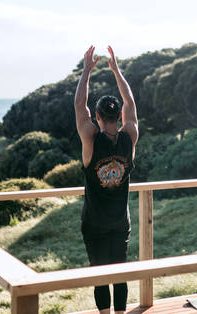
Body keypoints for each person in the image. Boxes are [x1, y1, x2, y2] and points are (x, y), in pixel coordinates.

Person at [74, 45, 139, 314]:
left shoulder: (90, 139)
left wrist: (86, 71)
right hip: (120, 222)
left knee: (100, 275)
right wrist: (116, 71)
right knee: (119, 273)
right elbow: (130, 103)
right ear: (119, 116)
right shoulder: (130, 137)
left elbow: (80, 106)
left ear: (98, 117)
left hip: (94, 223)